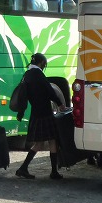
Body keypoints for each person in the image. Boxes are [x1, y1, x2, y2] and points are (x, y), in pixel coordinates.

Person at [15, 52, 65, 180]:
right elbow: (50, 91)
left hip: (36, 112)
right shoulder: (38, 74)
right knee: (51, 140)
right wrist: (60, 104)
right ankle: (53, 171)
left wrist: (21, 112)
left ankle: (24, 168)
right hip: (45, 113)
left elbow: (23, 96)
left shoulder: (27, 75)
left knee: (39, 143)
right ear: (42, 63)